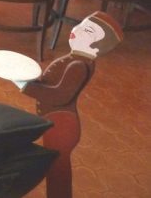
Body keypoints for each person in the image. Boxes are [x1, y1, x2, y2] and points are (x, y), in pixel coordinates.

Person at [19, 11, 123, 198]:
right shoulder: (78, 60)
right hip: (58, 121)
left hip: (61, 123)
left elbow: (59, 96)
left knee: (58, 170)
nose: (77, 29)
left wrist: (25, 85)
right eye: (81, 24)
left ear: (98, 47)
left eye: (88, 31)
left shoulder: (78, 65)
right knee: (56, 167)